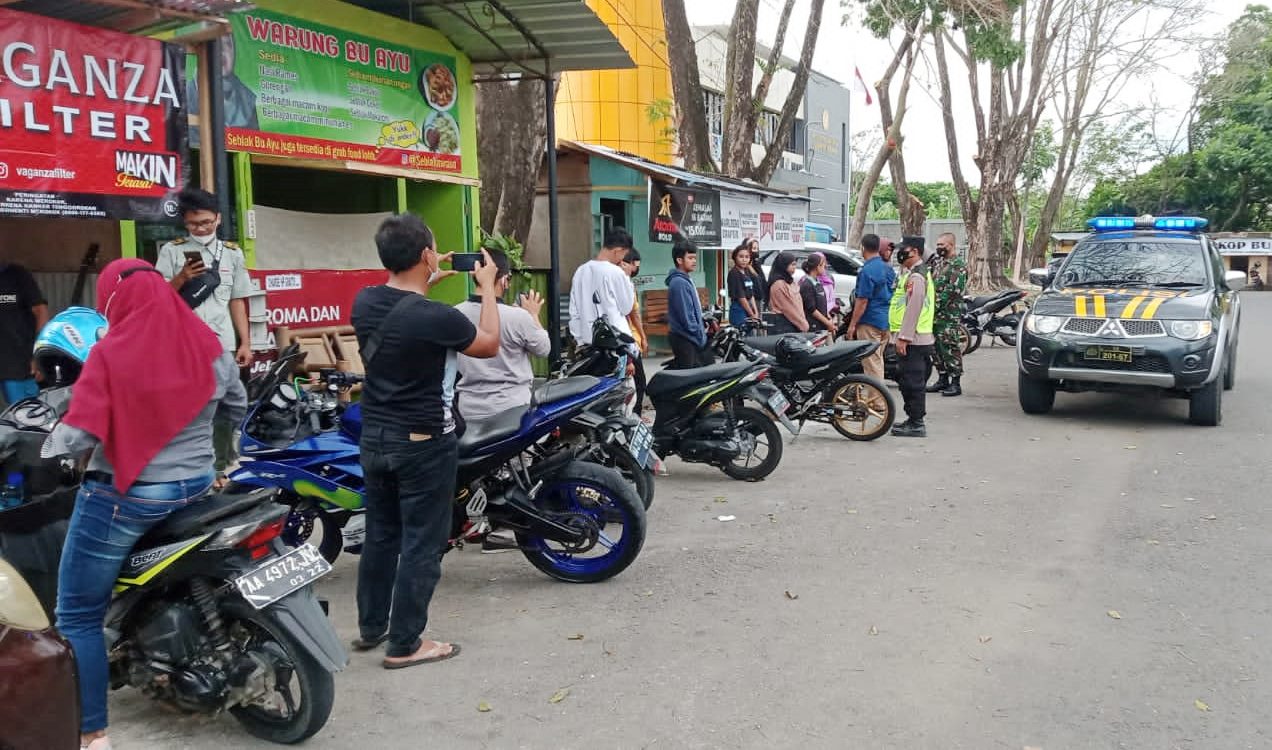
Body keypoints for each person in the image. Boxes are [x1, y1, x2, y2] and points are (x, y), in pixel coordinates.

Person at [45, 258, 246, 750]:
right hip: (198, 485)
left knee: (75, 615)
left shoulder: (111, 355)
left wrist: (47, 444)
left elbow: (81, 434)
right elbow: (237, 404)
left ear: (113, 302)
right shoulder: (209, 345)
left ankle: (92, 732)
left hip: (129, 497)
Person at [350, 214, 500, 669]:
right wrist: (488, 286)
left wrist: (426, 277)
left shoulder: (364, 301)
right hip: (424, 441)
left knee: (380, 534)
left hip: (374, 437)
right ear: (426, 256)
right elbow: (489, 343)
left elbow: (403, 311)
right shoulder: (437, 317)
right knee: (421, 541)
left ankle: (372, 628)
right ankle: (406, 644)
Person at [156, 188, 254, 488]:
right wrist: (183, 276)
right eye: (193, 223)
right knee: (197, 408)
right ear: (184, 222)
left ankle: (222, 465)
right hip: (186, 345)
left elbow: (237, 300)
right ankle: (200, 469)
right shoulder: (171, 251)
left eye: (207, 222)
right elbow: (158, 297)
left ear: (219, 218)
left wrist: (245, 342)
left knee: (232, 404)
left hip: (222, 343)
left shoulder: (233, 254)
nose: (200, 228)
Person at [455, 249, 550, 422]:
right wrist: (533, 315)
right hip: (512, 409)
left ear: (474, 275)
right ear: (505, 280)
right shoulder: (518, 317)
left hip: (468, 410)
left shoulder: (456, 314)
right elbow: (543, 349)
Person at [889, 237, 936, 438]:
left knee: (912, 382)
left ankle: (916, 423)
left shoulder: (917, 277)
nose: (899, 253)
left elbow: (914, 307)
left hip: (914, 339)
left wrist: (904, 337)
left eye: (903, 250)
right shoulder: (915, 273)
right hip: (917, 337)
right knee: (910, 379)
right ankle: (913, 419)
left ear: (915, 252)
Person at [568, 229, 635, 345]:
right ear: (618, 251)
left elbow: (574, 312)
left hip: (588, 342)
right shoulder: (616, 273)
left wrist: (579, 339)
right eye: (624, 255)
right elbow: (627, 308)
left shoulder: (580, 271)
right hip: (616, 342)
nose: (622, 259)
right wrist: (627, 278)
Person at [847, 234, 897, 381]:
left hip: (870, 322)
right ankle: (873, 396)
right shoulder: (888, 269)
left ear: (863, 248)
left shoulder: (866, 270)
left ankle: (878, 401)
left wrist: (852, 325)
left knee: (871, 363)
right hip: (885, 321)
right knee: (877, 360)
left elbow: (862, 301)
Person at [0, 261, 49, 407]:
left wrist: (37, 354)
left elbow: (41, 311)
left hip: (18, 366)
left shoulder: (16, 275)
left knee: (25, 418)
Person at [928, 232, 968, 397]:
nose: (939, 248)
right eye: (937, 245)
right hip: (933, 315)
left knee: (949, 347)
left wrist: (934, 307)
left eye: (942, 245)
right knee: (935, 348)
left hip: (948, 315)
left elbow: (951, 292)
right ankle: (942, 378)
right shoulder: (938, 264)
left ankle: (955, 382)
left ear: (951, 245)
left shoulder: (958, 266)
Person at [665, 240, 713, 369]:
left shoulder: (685, 279)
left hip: (690, 336)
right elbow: (686, 315)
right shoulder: (679, 283)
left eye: (695, 258)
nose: (694, 261)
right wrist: (698, 334)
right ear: (679, 260)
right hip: (685, 338)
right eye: (690, 258)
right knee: (689, 377)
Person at [620, 249, 649, 412]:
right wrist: (644, 337)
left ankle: (635, 414)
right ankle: (635, 415)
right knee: (638, 382)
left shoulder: (627, 283)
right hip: (630, 340)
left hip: (631, 339)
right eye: (634, 265)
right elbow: (634, 314)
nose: (635, 269)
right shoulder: (626, 285)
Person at [767, 251, 808, 333]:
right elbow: (787, 308)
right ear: (784, 265)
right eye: (792, 264)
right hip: (784, 325)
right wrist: (803, 324)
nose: (794, 267)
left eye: (795, 264)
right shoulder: (778, 284)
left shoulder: (789, 281)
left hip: (793, 324)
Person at [799, 254, 835, 333]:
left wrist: (828, 317)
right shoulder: (807, 284)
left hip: (822, 324)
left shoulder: (818, 282)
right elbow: (812, 309)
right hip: (813, 326)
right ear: (817, 267)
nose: (825, 267)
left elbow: (822, 304)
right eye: (822, 265)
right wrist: (827, 323)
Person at [727, 244, 761, 328]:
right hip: (739, 310)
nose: (744, 259)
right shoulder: (734, 273)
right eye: (741, 256)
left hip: (749, 308)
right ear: (735, 257)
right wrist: (752, 314)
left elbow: (751, 293)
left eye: (747, 257)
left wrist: (755, 311)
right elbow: (741, 297)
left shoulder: (747, 271)